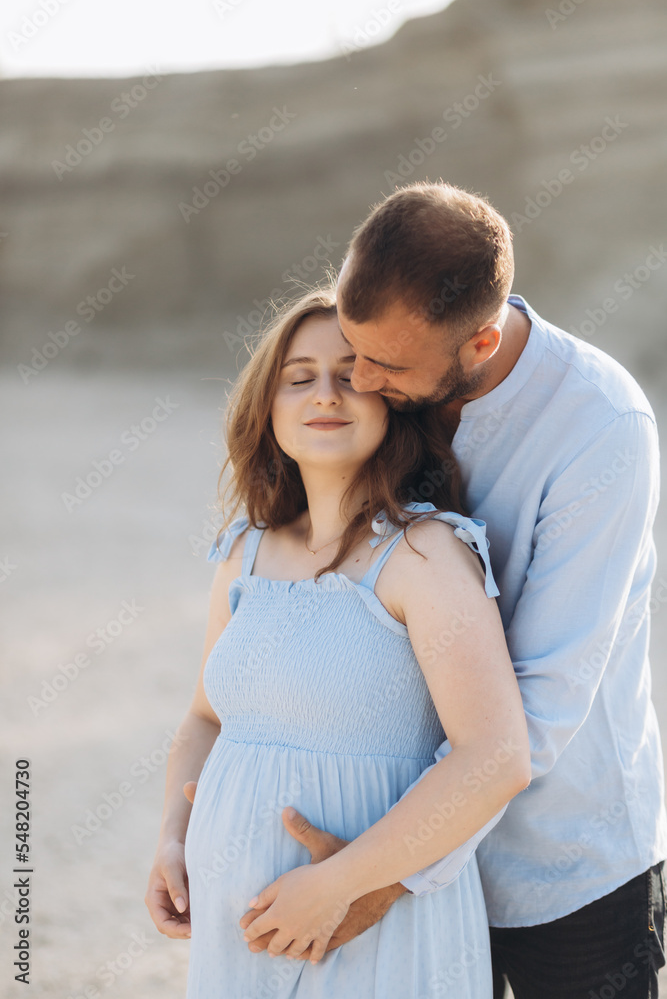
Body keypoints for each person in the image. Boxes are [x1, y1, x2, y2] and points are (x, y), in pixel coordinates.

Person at [241, 182, 667, 998]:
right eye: (354, 349)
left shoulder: (600, 428)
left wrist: (384, 878)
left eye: (385, 365)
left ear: (478, 343)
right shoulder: (395, 373)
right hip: (390, 832)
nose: (359, 379)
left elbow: (541, 704)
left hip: (561, 866)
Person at [144, 287, 531, 997]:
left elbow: (495, 757)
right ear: (268, 406)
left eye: (352, 374)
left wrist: (336, 885)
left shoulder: (426, 555)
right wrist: (174, 834)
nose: (326, 393)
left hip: (373, 927)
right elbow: (204, 717)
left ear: (391, 400)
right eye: (298, 377)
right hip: (241, 930)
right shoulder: (244, 553)